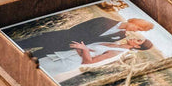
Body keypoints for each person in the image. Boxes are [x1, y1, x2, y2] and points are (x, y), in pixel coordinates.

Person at [18, 16, 153, 57]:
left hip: (66, 49)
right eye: (138, 27)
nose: (136, 30)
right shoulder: (104, 20)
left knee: (33, 57)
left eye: (139, 30)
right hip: (59, 38)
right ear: (133, 21)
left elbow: (94, 44)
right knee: (22, 44)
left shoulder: (120, 36)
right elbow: (77, 29)